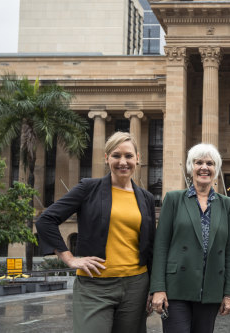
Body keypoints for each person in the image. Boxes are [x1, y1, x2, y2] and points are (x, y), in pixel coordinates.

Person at [36, 131, 155, 333]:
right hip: (94, 286)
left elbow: (150, 245)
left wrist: (154, 289)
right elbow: (46, 219)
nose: (123, 162)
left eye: (129, 156)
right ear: (106, 158)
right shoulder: (88, 188)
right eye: (116, 155)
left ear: (138, 159)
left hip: (136, 286)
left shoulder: (146, 197)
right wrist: (70, 259)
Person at [150, 143, 230, 333]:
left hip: (210, 289)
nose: (204, 167)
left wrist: (229, 294)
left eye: (210, 163)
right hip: (176, 288)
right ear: (191, 167)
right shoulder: (173, 199)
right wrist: (158, 288)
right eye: (198, 162)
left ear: (216, 169)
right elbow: (161, 246)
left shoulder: (228, 205)